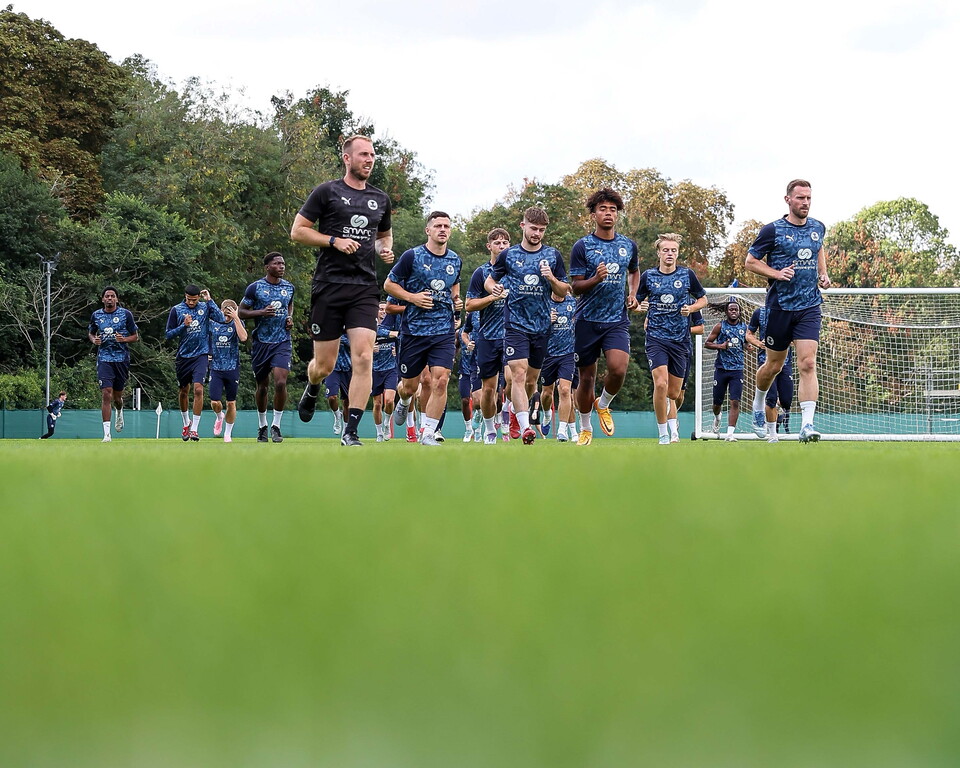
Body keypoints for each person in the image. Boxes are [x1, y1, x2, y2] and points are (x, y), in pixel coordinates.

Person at [292, 134, 394, 447]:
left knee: (364, 357)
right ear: (347, 159)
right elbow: (298, 232)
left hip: (364, 288)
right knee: (325, 365)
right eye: (363, 154)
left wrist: (385, 250)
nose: (369, 159)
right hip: (329, 286)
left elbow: (383, 236)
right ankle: (312, 387)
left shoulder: (380, 198)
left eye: (372, 155)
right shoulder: (327, 191)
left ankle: (351, 431)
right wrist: (334, 240)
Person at [745, 179, 831, 443]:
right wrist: (776, 273)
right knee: (773, 365)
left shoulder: (818, 227)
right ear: (788, 200)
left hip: (809, 306)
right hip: (779, 308)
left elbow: (818, 248)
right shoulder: (773, 230)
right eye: (800, 198)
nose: (805, 203)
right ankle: (758, 405)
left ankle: (807, 425)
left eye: (808, 198)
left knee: (807, 362)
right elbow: (750, 262)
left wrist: (823, 273)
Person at [485, 207, 568, 445]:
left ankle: (513, 409)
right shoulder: (508, 256)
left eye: (542, 230)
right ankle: (524, 428)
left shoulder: (553, 256)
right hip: (515, 325)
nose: (537, 234)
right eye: (533, 228)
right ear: (523, 226)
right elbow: (491, 279)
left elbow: (564, 290)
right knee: (518, 375)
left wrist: (551, 278)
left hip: (542, 327)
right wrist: (494, 289)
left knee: (532, 381)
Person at [569, 188, 641, 445]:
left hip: (616, 321)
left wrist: (633, 294)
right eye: (603, 209)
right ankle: (585, 428)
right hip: (586, 320)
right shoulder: (583, 246)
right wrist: (595, 279)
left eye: (612, 209)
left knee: (618, 369)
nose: (608, 213)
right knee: (586, 377)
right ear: (593, 214)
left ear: (617, 214)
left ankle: (604, 403)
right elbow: (575, 287)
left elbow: (634, 271)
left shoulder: (627, 245)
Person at [385, 211, 463, 446]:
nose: (443, 229)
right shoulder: (412, 256)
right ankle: (404, 400)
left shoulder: (455, 260)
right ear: (428, 230)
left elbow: (455, 285)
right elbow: (389, 284)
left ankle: (428, 432)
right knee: (410, 386)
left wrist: (456, 301)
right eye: (438, 225)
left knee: (441, 380)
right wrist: (412, 298)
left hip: (443, 330)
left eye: (446, 226)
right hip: (414, 331)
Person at [635, 234, 708, 445]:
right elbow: (634, 303)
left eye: (673, 250)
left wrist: (691, 308)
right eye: (666, 250)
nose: (669, 254)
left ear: (677, 253)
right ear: (658, 252)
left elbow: (703, 299)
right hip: (656, 338)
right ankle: (663, 434)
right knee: (660, 384)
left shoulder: (687, 275)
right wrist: (640, 308)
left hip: (680, 340)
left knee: (674, 393)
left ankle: (670, 422)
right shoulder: (648, 276)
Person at [238, 252, 295, 443]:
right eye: (277, 263)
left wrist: (289, 318)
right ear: (267, 267)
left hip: (282, 342)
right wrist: (261, 312)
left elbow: (290, 305)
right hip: (261, 342)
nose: (281, 266)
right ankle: (262, 425)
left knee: (280, 382)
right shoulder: (255, 288)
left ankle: (276, 426)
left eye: (283, 263)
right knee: (262, 386)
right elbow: (241, 312)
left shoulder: (289, 287)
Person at [465, 228, 513, 444]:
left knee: (514, 380)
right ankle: (489, 431)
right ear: (489, 246)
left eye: (505, 243)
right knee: (489, 390)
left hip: (513, 336)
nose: (502, 246)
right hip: (488, 337)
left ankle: (508, 416)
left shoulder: (517, 271)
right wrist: (491, 298)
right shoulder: (481, 273)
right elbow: (469, 305)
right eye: (498, 243)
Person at [165, 284, 227, 441]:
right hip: (183, 356)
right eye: (188, 300)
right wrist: (183, 326)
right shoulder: (176, 310)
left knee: (198, 390)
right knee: (183, 392)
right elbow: (168, 334)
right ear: (184, 296)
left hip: (201, 354)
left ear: (198, 297)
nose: (191, 303)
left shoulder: (205, 307)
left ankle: (194, 429)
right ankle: (186, 423)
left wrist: (210, 300)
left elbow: (221, 319)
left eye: (194, 300)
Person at [88, 286, 139, 442]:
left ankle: (119, 410)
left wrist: (124, 339)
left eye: (112, 296)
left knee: (117, 397)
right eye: (107, 296)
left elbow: (135, 336)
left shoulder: (125, 315)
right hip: (104, 358)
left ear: (117, 299)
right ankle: (106, 434)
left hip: (121, 359)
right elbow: (91, 332)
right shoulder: (96, 315)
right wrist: (94, 339)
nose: (109, 298)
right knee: (106, 393)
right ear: (103, 299)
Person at [746, 303, 795, 441]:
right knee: (771, 398)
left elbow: (796, 335)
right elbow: (749, 334)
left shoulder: (790, 310)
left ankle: (775, 407)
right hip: (765, 361)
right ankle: (772, 435)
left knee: (786, 401)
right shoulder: (759, 313)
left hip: (785, 363)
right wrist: (758, 343)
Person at [704, 299, 747, 441]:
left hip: (737, 370)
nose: (734, 312)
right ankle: (717, 417)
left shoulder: (744, 328)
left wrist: (749, 347)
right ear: (726, 311)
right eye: (731, 309)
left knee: (735, 401)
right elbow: (707, 343)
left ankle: (730, 434)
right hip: (721, 369)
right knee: (717, 403)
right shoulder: (720, 326)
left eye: (736, 310)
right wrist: (720, 346)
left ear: (739, 312)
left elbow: (747, 343)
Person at [540, 287, 577, 442]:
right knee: (547, 393)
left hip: (568, 354)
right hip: (547, 355)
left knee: (565, 390)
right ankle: (547, 414)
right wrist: (546, 321)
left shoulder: (573, 303)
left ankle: (562, 430)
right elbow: (533, 326)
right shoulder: (543, 303)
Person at [208, 299, 248, 443]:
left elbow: (243, 337)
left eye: (231, 312)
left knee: (231, 403)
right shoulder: (214, 323)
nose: (227, 315)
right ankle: (219, 416)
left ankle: (228, 434)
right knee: (215, 402)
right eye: (226, 312)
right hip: (216, 368)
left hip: (232, 368)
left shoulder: (236, 322)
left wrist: (236, 317)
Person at [665, 310, 704, 442]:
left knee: (679, 395)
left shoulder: (691, 304)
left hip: (684, 351)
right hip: (664, 348)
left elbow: (701, 328)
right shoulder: (663, 301)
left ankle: (673, 416)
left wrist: (684, 329)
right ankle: (673, 432)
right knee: (669, 393)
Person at [373, 301, 399, 442]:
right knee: (377, 403)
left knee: (389, 400)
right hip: (375, 369)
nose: (383, 311)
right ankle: (379, 433)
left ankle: (387, 423)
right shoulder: (372, 326)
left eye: (385, 309)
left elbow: (401, 337)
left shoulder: (394, 324)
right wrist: (371, 349)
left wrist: (398, 350)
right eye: (381, 309)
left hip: (391, 367)